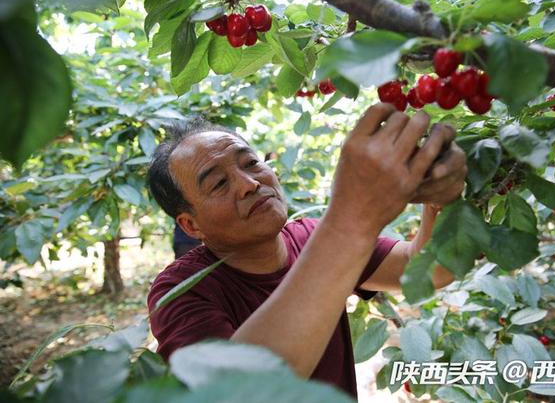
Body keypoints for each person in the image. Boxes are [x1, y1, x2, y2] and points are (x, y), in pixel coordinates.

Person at [146, 104, 468, 400]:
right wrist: (352, 217)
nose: (249, 184)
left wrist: (437, 202)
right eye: (218, 184)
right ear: (190, 225)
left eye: (251, 163)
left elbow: (427, 269)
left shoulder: (309, 237)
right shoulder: (180, 292)